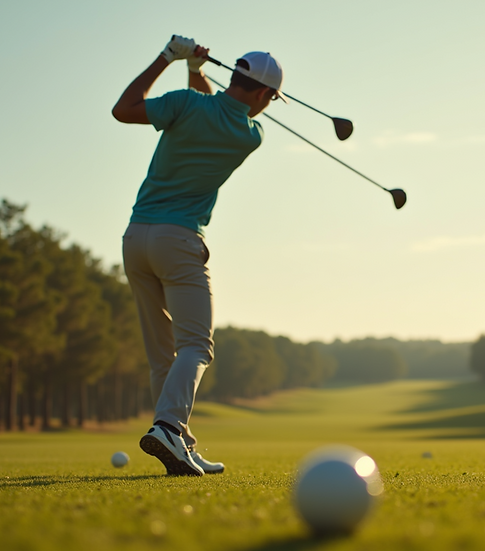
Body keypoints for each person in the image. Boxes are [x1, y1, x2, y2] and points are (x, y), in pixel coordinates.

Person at [112, 35, 285, 476]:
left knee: (162, 356)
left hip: (136, 238)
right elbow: (217, 112)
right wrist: (194, 70)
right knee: (195, 346)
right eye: (271, 98)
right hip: (179, 241)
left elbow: (125, 109)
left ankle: (179, 444)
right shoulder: (249, 135)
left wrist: (171, 60)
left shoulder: (185, 104)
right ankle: (169, 426)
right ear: (263, 95)